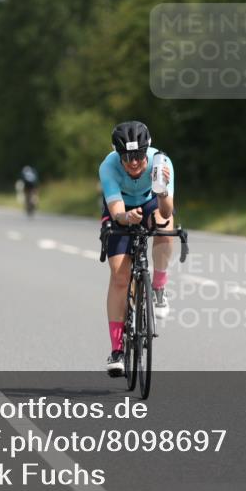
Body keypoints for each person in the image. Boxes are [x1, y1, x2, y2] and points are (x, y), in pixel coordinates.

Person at [99, 121, 175, 377]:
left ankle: (159, 288)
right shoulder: (108, 167)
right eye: (127, 157)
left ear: (148, 150)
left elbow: (165, 211)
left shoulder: (161, 163)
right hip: (120, 208)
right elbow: (117, 211)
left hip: (151, 202)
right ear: (117, 155)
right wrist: (125, 218)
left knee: (165, 227)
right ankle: (117, 350)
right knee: (120, 276)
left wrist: (163, 192)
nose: (133, 162)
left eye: (139, 155)